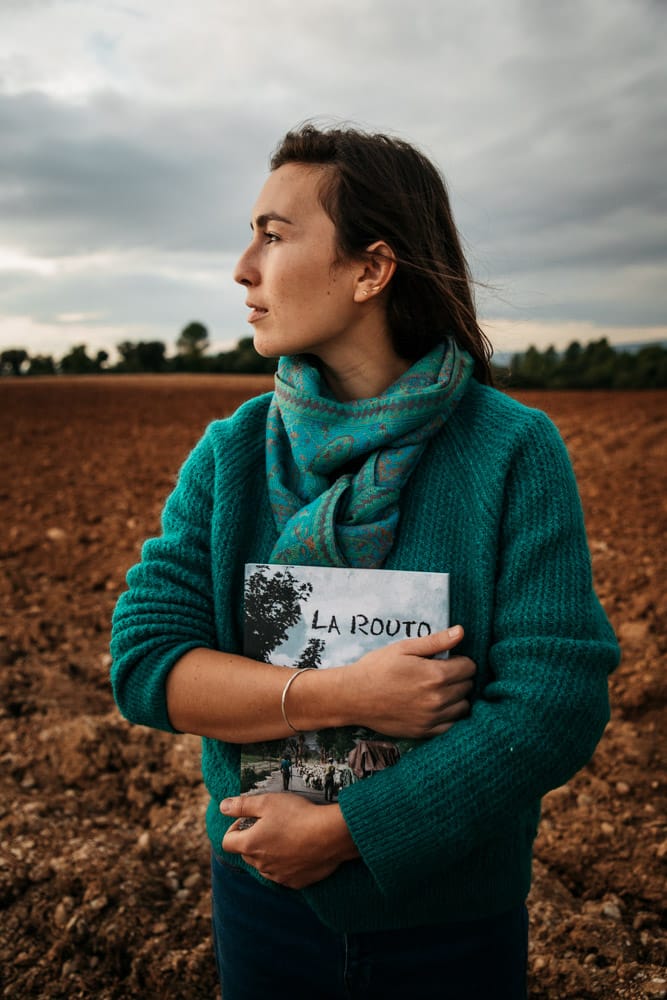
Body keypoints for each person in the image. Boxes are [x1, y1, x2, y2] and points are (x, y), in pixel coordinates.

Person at [110, 124, 620, 1000]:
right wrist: (341, 694)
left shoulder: (510, 451)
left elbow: (553, 703)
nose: (243, 267)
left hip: (448, 916)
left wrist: (350, 829)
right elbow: (146, 665)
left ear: (370, 270)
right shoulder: (231, 453)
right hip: (263, 897)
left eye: (273, 235)